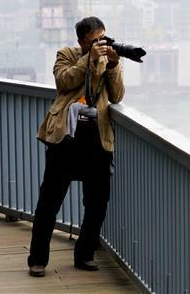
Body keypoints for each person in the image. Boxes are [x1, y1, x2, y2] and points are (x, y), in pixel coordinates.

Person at [27, 16, 125, 278]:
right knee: (49, 201)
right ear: (82, 41)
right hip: (65, 139)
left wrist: (113, 64)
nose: (100, 44)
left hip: (97, 138)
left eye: (103, 38)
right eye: (95, 41)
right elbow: (64, 82)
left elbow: (117, 95)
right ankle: (37, 260)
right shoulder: (67, 55)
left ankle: (85, 254)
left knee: (97, 202)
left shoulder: (107, 59)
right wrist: (88, 59)